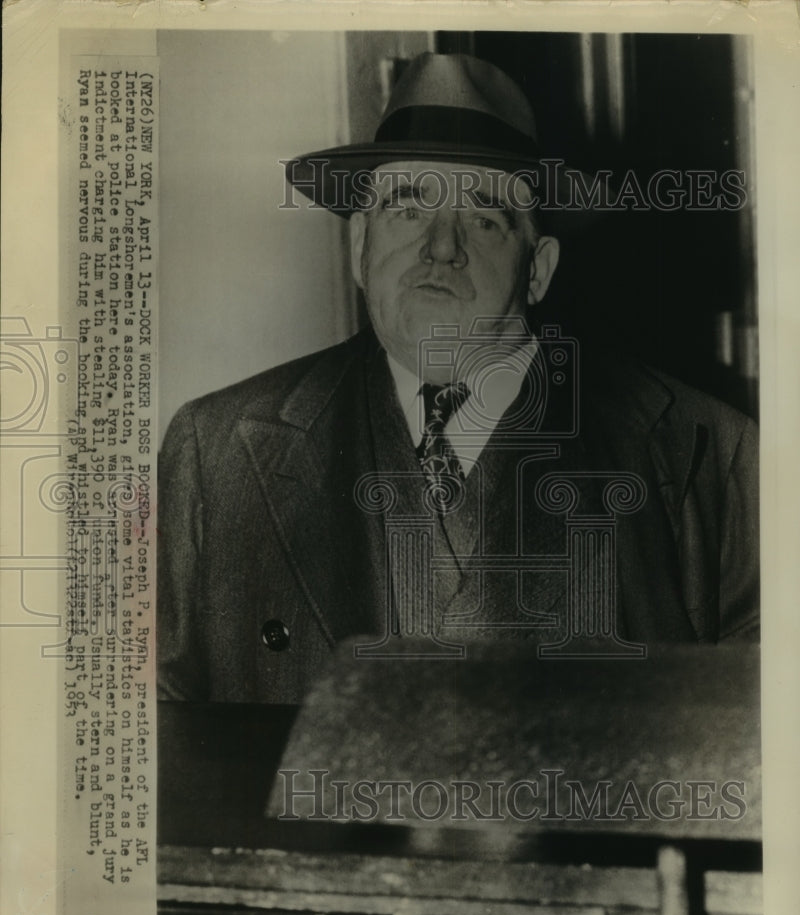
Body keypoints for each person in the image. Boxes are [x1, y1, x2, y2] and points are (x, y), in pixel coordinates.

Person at [157, 53, 758, 704]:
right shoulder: (214, 453)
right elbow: (156, 739)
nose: (442, 247)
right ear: (360, 244)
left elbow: (768, 749)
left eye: (483, 216)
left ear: (539, 268)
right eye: (409, 209)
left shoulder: (705, 454)